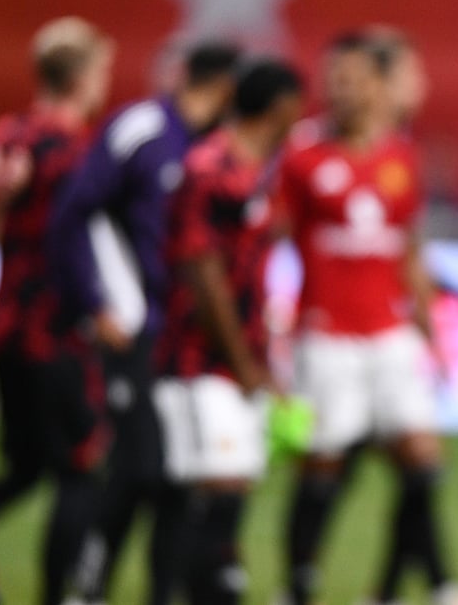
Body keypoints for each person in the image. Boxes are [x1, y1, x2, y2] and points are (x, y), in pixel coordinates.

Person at [279, 31, 458, 605]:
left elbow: (410, 254)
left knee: (422, 459)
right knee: (321, 466)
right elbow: (264, 238)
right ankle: (297, 587)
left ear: (376, 85)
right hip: (327, 337)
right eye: (333, 80)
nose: (339, 91)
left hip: (389, 334)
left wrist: (431, 338)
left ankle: (409, 589)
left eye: (352, 80)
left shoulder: (401, 156)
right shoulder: (301, 156)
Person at [53, 40, 242, 605]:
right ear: (223, 85)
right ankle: (84, 584)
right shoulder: (142, 129)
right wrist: (97, 304)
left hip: (179, 334)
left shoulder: (209, 146)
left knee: (174, 475)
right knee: (138, 469)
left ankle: (160, 591)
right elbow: (73, 213)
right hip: (132, 326)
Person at [152, 59, 303, 604]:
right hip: (198, 358)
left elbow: (251, 277)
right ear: (281, 105)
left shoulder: (263, 170)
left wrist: (264, 359)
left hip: (239, 357)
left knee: (226, 486)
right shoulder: (209, 167)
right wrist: (241, 360)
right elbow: (203, 273)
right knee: (216, 487)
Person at [0, 16, 114, 605]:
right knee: (82, 465)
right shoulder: (74, 150)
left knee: (30, 465)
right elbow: (80, 246)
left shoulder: (3, 136)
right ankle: (59, 595)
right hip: (54, 328)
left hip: (5, 322)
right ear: (84, 75)